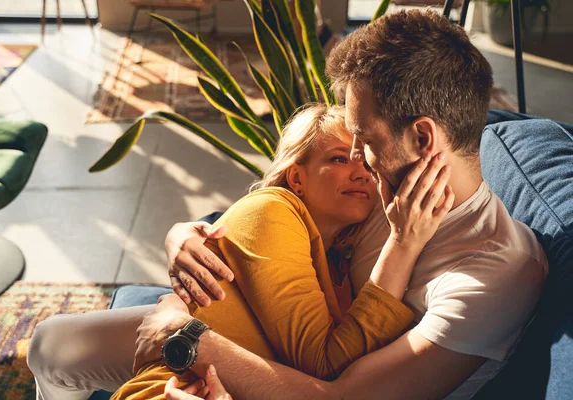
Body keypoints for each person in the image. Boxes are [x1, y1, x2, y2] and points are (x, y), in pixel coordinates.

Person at [148, 9, 548, 400]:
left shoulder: (493, 278)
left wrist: (181, 336)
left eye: (365, 139)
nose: (358, 156)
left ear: (423, 139)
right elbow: (280, 219)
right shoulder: (383, 193)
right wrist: (185, 234)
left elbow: (339, 395)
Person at [26, 104, 452, 399]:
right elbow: (325, 364)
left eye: (363, 158)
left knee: (50, 346)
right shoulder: (275, 210)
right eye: (340, 158)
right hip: (178, 369)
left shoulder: (339, 255)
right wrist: (405, 241)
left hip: (217, 366)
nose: (361, 171)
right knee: (48, 347)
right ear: (296, 177)